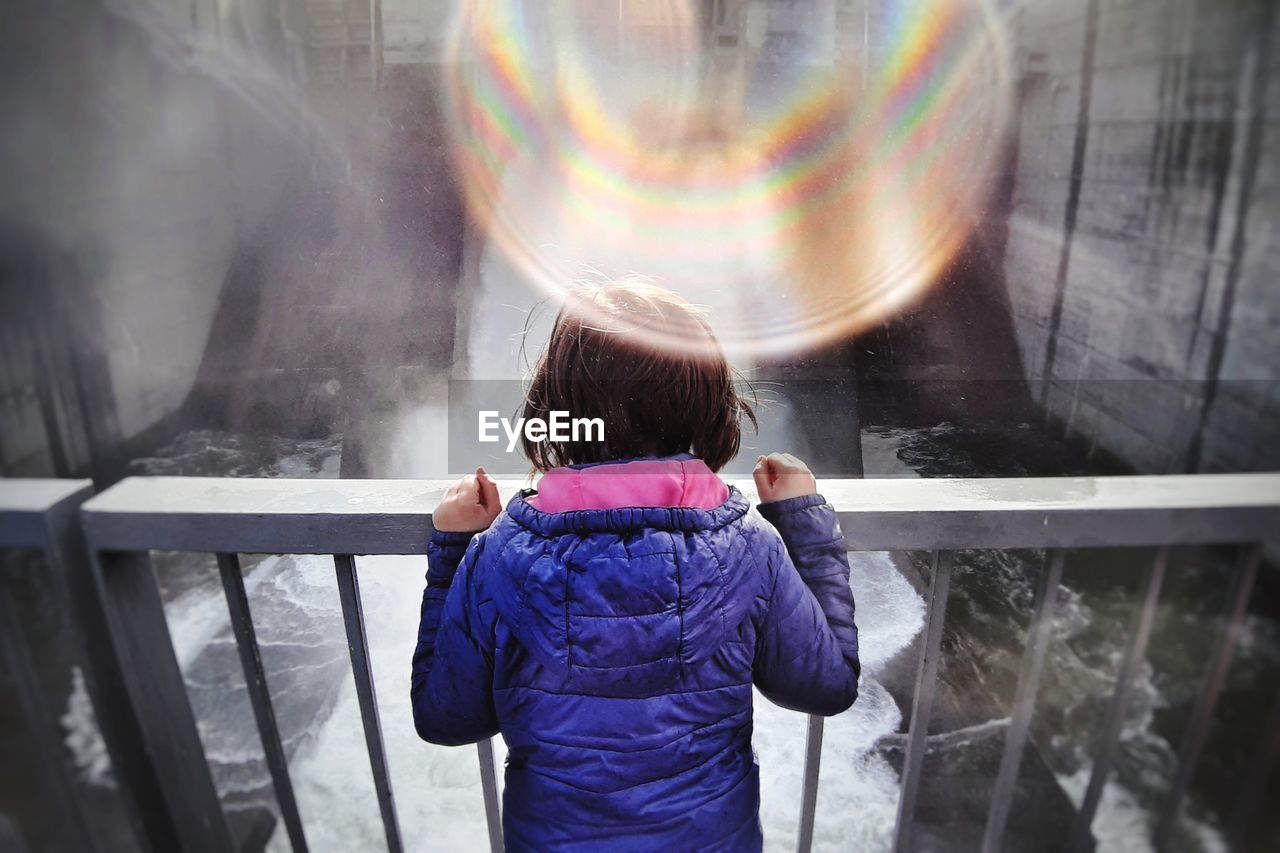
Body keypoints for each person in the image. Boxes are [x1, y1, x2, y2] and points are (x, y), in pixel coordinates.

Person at [411, 280, 859, 851]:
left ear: (553, 410)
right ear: (709, 407)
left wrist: (453, 550)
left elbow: (444, 718)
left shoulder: (498, 555)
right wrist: (800, 521)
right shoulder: (751, 548)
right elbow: (829, 686)